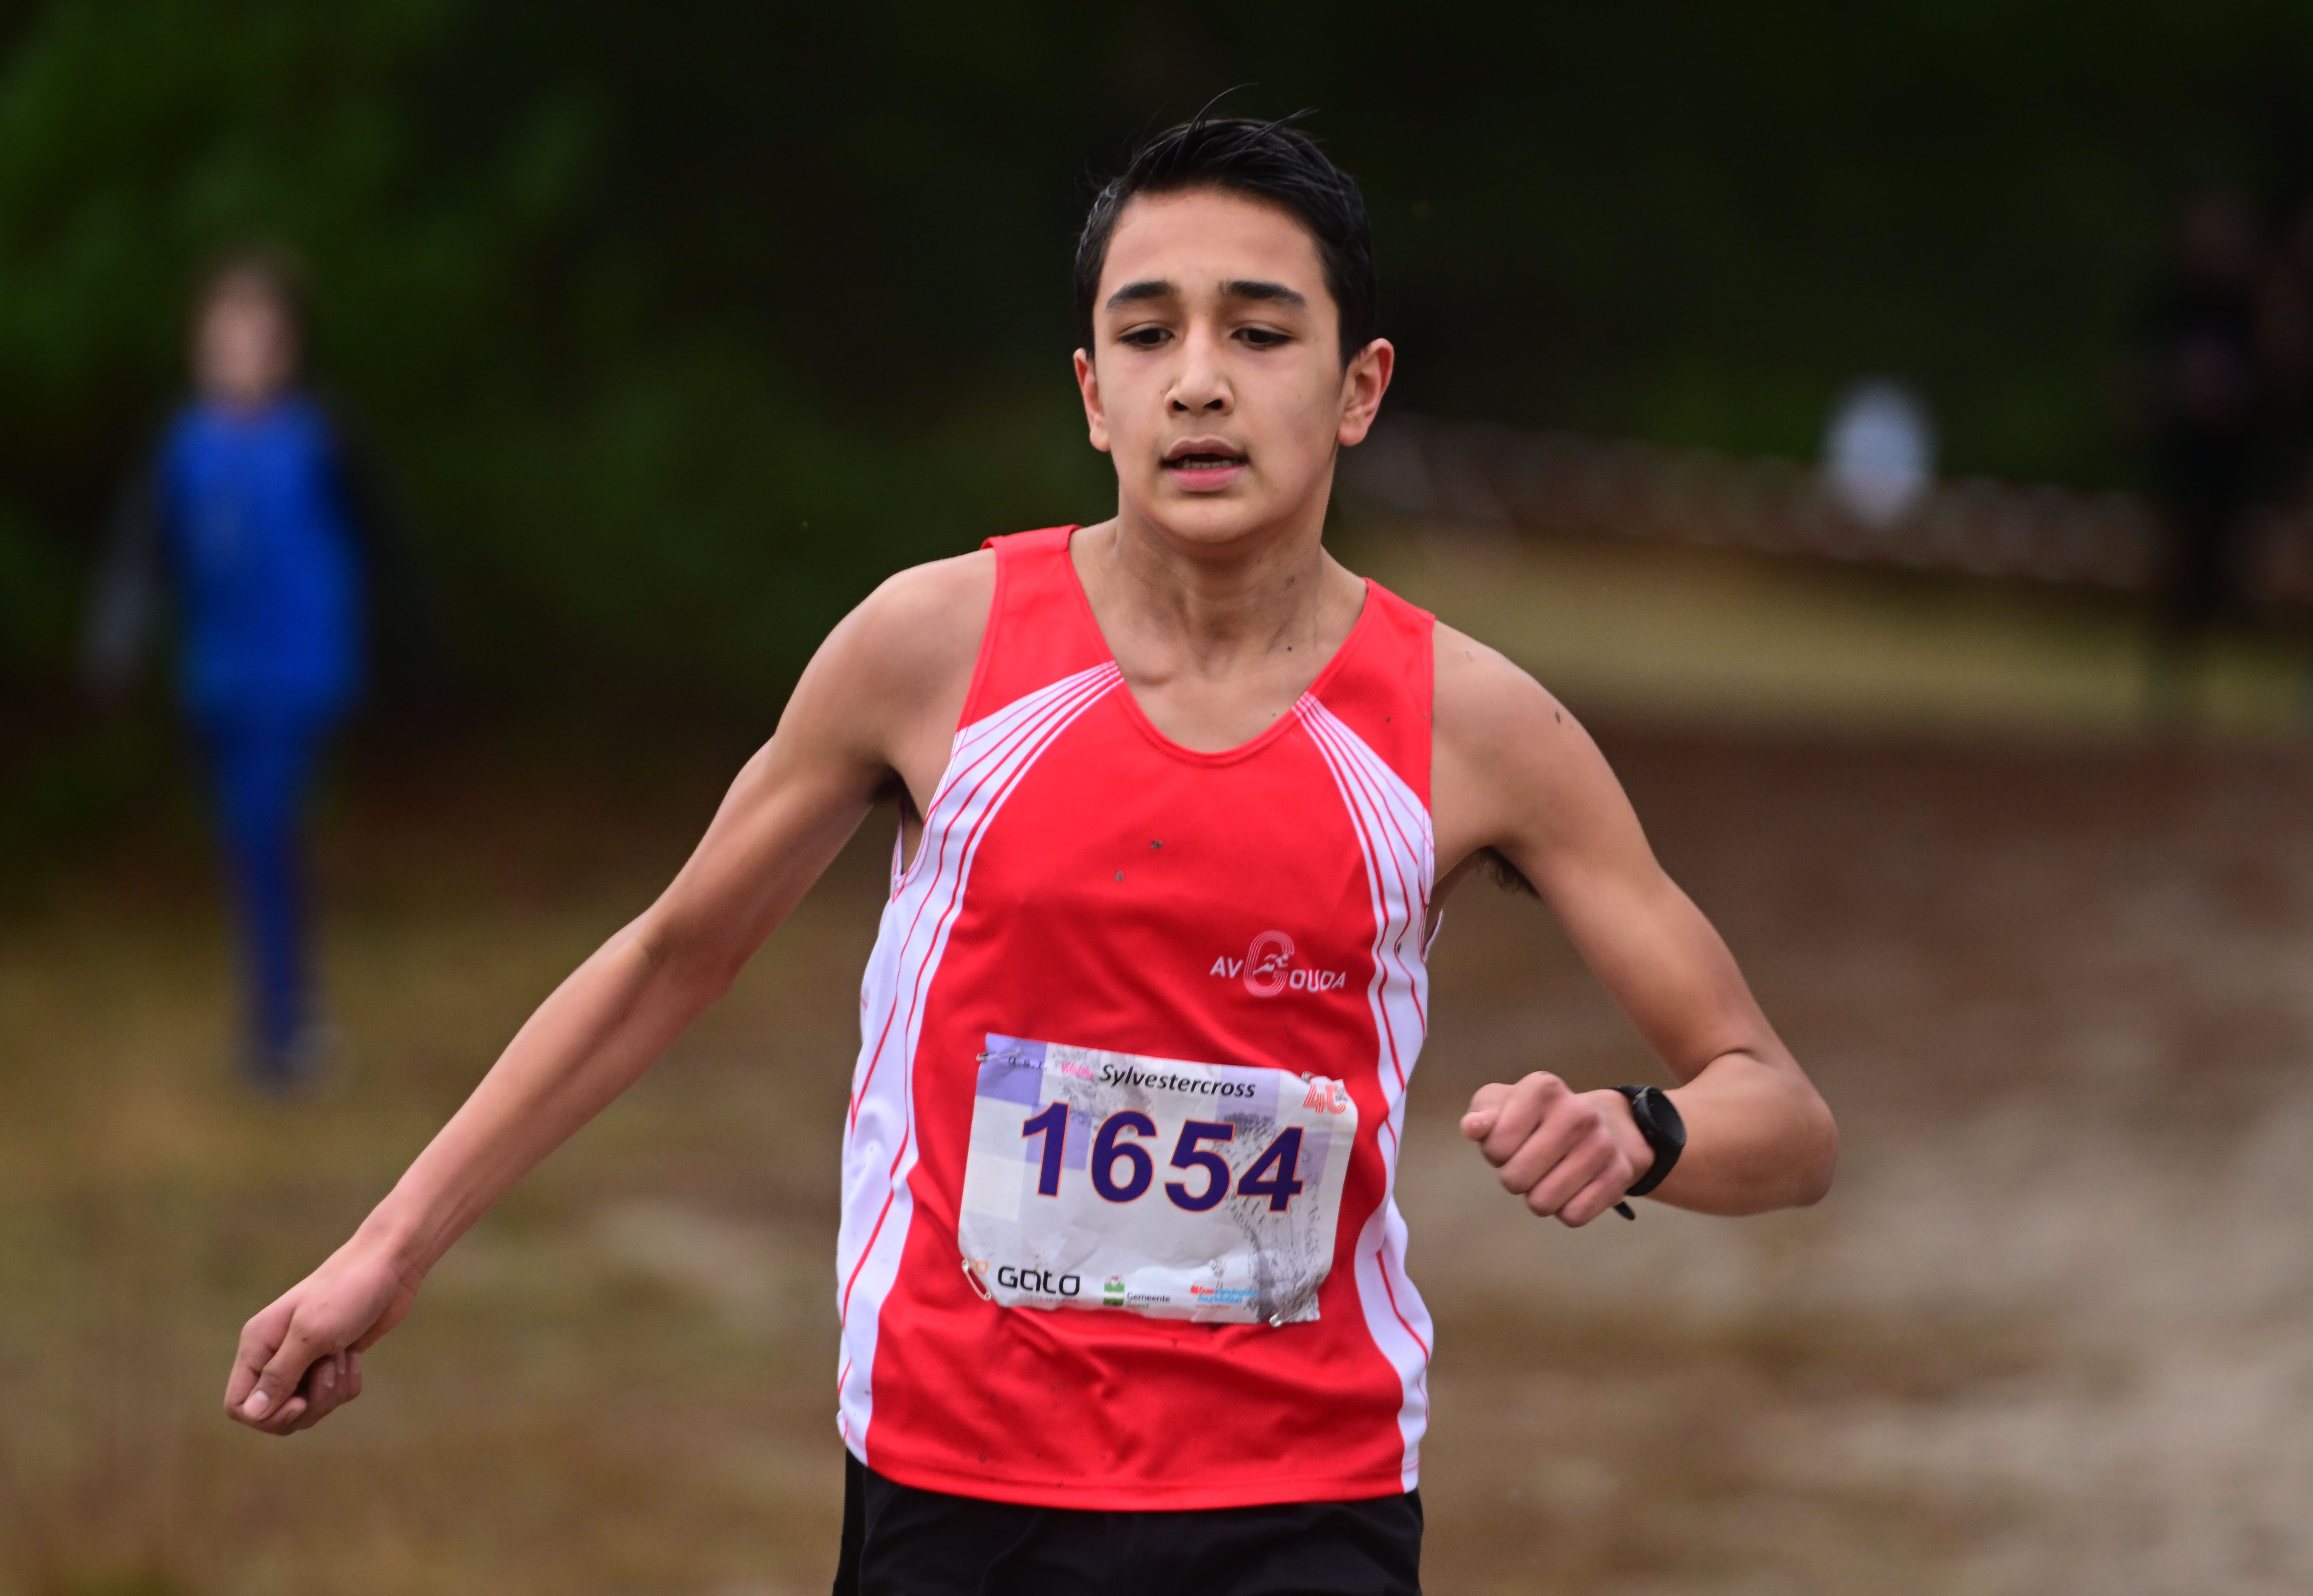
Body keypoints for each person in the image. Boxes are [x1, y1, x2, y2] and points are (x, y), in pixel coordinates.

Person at [223, 118, 1837, 1592]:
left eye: (1258, 332)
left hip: (1304, 1499)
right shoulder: (930, 648)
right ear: (1090, 393)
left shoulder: (1469, 726)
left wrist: (1640, 1130)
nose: (1197, 381)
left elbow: (1780, 1111)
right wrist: (387, 1248)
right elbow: (670, 957)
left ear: (1359, 387)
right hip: (955, 1486)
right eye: (1147, 333)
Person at [85, 247, 399, 1091]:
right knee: (253, 841)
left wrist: (408, 653)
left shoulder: (320, 435)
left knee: (266, 828)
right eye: (223, 336)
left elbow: (382, 544)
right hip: (220, 677)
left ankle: (281, 1024)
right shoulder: (183, 445)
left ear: (287, 346)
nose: (239, 352)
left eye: (257, 335)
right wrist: (118, 635)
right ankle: (287, 1009)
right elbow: (142, 554)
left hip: (301, 675)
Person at [2143, 191, 2266, 718]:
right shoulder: (2171, 307)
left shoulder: (2255, 309)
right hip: (2187, 469)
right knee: (2183, 577)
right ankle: (2175, 696)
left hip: (2244, 473)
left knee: (2238, 575)